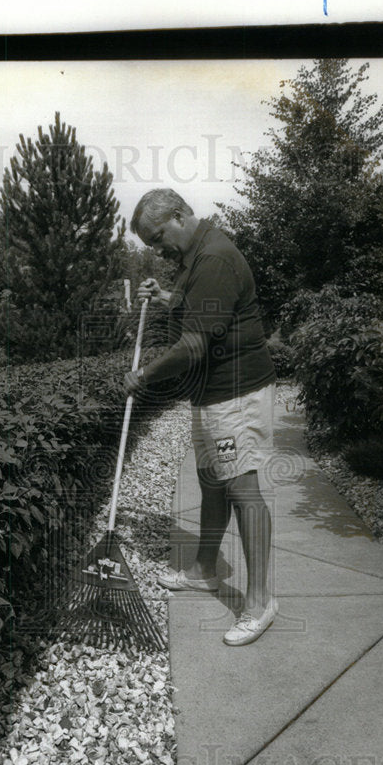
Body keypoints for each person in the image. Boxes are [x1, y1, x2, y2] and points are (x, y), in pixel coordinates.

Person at [123, 188, 278, 646]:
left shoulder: (212, 258)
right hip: (212, 393)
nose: (156, 249)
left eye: (156, 238)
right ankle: (205, 570)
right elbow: (204, 309)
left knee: (243, 488)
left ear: (178, 215)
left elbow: (194, 344)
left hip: (236, 393)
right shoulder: (198, 255)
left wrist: (144, 376)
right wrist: (169, 295)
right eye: (150, 244)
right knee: (213, 480)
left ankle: (259, 602)